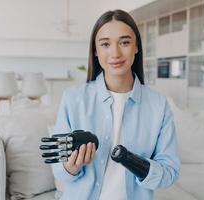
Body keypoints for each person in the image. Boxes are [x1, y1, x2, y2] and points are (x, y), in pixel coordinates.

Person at [52, 9, 180, 200]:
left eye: (125, 42)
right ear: (95, 50)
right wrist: (71, 166)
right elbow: (58, 169)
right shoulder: (73, 99)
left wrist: (134, 162)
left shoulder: (158, 105)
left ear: (136, 46)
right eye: (105, 44)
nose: (115, 53)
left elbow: (169, 172)